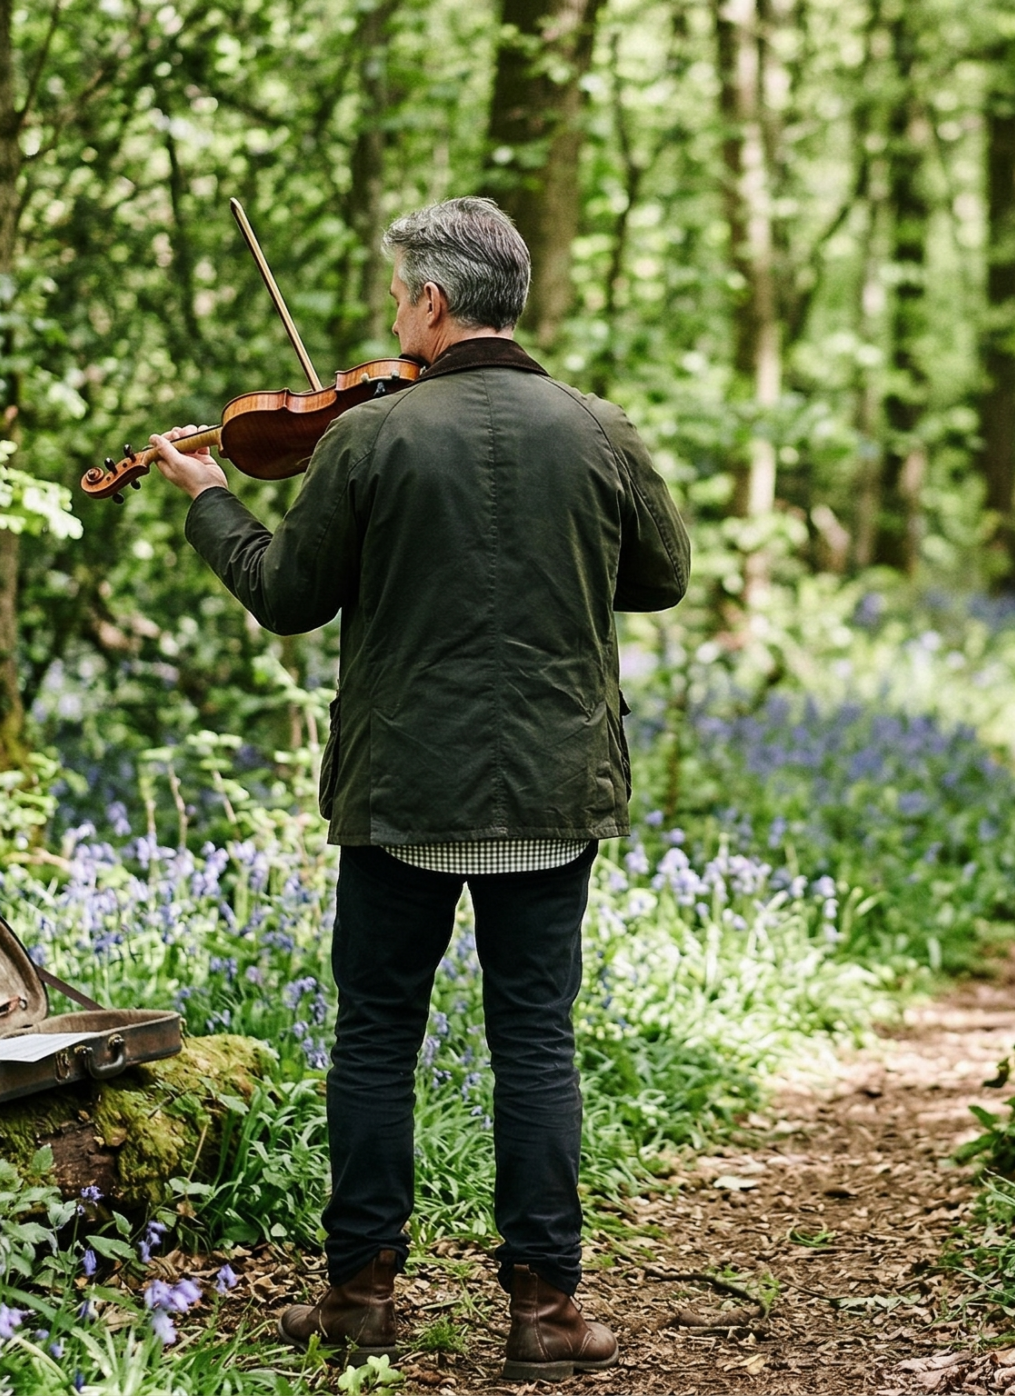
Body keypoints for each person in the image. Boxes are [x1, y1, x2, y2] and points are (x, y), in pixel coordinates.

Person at [148, 195, 690, 1381]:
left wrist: (206, 496)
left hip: (402, 794)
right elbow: (661, 576)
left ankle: (358, 1299)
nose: (395, 316)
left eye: (400, 297)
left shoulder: (369, 440)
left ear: (434, 304)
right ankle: (545, 1314)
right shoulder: (596, 427)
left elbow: (286, 597)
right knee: (535, 1042)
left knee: (378, 1038)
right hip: (552, 790)